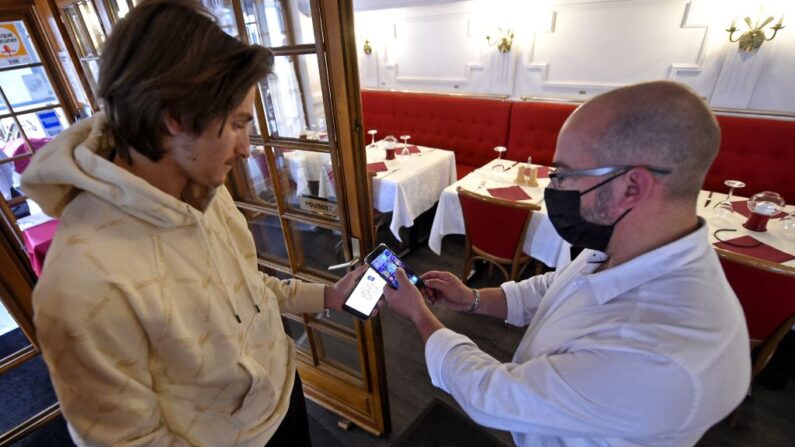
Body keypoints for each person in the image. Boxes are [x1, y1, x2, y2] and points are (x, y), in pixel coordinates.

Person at [21, 1, 365, 445]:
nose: (245, 148)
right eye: (238, 123)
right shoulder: (80, 285)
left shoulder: (203, 189)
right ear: (175, 118)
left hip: (284, 395)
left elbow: (247, 288)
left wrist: (329, 295)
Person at [384, 81, 751, 446]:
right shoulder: (627, 245)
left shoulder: (660, 351)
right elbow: (556, 288)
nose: (553, 187)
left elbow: (492, 395)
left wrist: (419, 315)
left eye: (562, 174)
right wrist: (473, 300)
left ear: (632, 187)